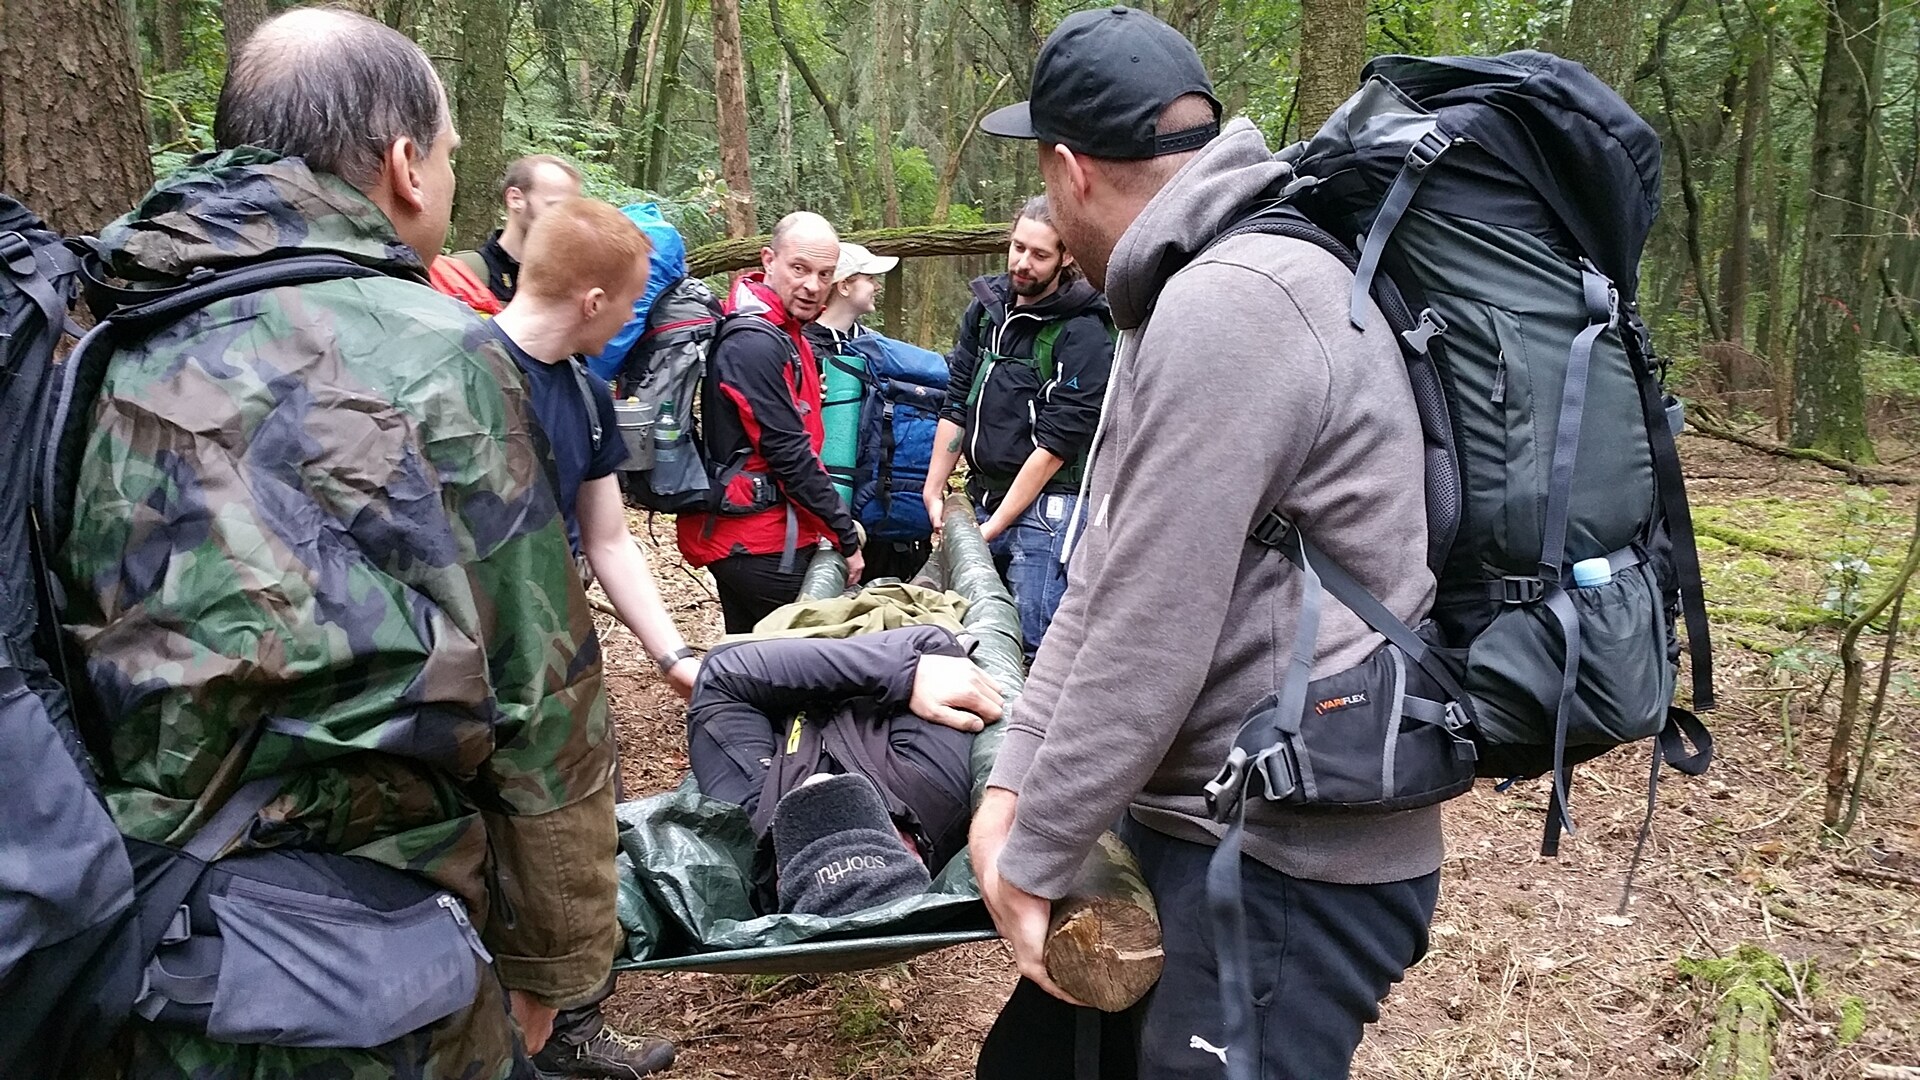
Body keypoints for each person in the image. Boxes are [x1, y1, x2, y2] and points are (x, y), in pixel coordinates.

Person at [57, 9, 619, 1077]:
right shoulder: (438, 356)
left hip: (133, 935)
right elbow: (541, 697)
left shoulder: (94, 333)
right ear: (405, 165)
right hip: (376, 968)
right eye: (449, 155)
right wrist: (559, 960)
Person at [968, 8, 1441, 1079]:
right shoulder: (1189, 291)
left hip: (1285, 858)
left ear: (1069, 170)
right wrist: (1015, 793)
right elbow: (1102, 582)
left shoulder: (1235, 304)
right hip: (1200, 819)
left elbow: (1150, 631)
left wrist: (1030, 857)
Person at [489, 196, 705, 1078]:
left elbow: (608, 539)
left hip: (559, 666)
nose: (636, 320)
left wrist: (672, 654)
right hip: (468, 674)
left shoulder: (584, 392)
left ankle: (571, 1023)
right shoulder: (459, 373)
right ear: (593, 300)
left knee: (574, 847)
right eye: (632, 302)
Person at [686, 627, 1003, 915]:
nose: (819, 783)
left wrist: (892, 673)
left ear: (781, 877)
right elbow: (935, 648)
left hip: (797, 664)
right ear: (911, 849)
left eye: (813, 835)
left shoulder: (750, 821)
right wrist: (904, 672)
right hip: (848, 655)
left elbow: (719, 677)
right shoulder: (931, 790)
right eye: (853, 816)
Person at [922, 195, 1114, 660]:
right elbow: (957, 401)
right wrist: (933, 491)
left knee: (1034, 644)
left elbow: (1055, 446)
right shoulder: (986, 312)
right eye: (1018, 247)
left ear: (1066, 257)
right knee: (962, 631)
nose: (1023, 263)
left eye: (1039, 254)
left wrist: (991, 528)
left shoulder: (1084, 332)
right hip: (984, 495)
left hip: (1049, 511)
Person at [677, 211, 866, 633]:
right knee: (829, 644)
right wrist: (845, 535)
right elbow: (789, 454)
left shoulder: (782, 331)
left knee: (749, 651)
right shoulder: (755, 343)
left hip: (749, 532)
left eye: (824, 274)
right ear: (768, 260)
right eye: (799, 268)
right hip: (756, 540)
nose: (812, 285)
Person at [452, 153, 585, 303]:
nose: (568, 219)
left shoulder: (572, 284)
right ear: (515, 199)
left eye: (572, 210)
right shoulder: (463, 274)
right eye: (556, 207)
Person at [801, 241, 897, 357]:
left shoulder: (871, 339)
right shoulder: (803, 347)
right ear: (844, 287)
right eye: (870, 278)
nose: (878, 287)